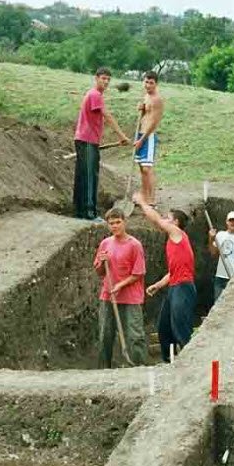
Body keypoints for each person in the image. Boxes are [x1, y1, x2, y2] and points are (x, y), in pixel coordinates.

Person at [133, 192, 196, 363]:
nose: (164, 220)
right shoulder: (174, 242)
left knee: (180, 327)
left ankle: (190, 362)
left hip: (183, 287)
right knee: (164, 328)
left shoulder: (178, 234)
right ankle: (169, 362)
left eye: (168, 218)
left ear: (175, 223)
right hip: (175, 286)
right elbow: (172, 272)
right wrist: (158, 285)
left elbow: (156, 220)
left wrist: (142, 203)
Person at [92, 208, 148, 367]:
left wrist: (120, 285)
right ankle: (104, 369)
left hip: (130, 297)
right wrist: (102, 262)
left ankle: (138, 367)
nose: (115, 226)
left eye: (118, 222)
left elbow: (138, 273)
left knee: (134, 336)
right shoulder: (105, 243)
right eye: (111, 223)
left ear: (124, 222)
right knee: (105, 335)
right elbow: (99, 271)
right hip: (108, 296)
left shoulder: (134, 245)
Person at [73, 67, 131, 221]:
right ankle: (89, 213)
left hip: (85, 139)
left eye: (108, 79)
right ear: (96, 78)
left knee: (82, 176)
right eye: (103, 78)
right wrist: (123, 136)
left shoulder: (94, 95)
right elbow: (108, 117)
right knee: (89, 177)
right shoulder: (95, 95)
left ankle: (79, 212)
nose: (105, 82)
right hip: (87, 140)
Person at [133, 71, 165, 206]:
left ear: (156, 84)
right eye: (146, 82)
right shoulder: (146, 96)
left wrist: (142, 140)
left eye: (151, 83)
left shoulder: (157, 99)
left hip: (149, 136)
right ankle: (144, 196)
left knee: (147, 168)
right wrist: (141, 109)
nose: (148, 85)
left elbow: (154, 122)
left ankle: (152, 199)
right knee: (141, 168)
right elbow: (146, 115)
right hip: (140, 133)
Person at [208, 210, 234, 301]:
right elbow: (213, 252)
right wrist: (211, 239)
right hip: (220, 277)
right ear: (227, 222)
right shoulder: (220, 235)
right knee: (218, 303)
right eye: (231, 220)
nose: (233, 223)